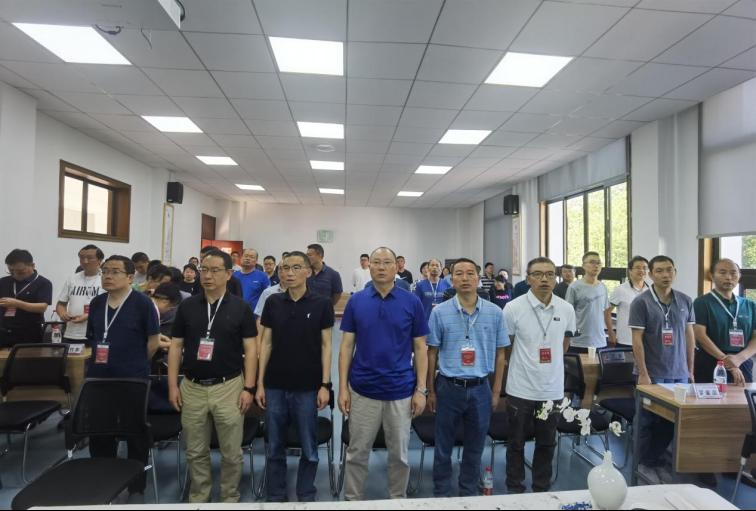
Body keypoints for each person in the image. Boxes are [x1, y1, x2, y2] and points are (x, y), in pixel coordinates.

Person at [339, 247, 429, 501]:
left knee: (399, 455)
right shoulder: (356, 301)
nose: (381, 267)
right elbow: (346, 347)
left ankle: (397, 499)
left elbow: (420, 348)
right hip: (362, 389)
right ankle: (352, 500)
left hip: (400, 391)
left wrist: (421, 389)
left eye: (386, 262)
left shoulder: (411, 301)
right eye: (376, 262)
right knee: (357, 453)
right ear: (369, 266)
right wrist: (343, 388)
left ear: (396, 267)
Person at [168, 249, 258, 503]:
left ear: (228, 274)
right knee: (195, 450)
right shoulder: (187, 306)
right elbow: (176, 346)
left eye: (215, 270)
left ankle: (229, 497)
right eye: (204, 270)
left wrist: (249, 388)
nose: (207, 276)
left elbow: (251, 350)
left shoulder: (241, 308)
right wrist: (173, 385)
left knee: (231, 452)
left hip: (228, 386)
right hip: (192, 386)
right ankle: (199, 496)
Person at [256, 251, 335, 502]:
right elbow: (266, 343)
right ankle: (276, 494)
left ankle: (306, 493)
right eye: (284, 268)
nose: (288, 273)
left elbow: (326, 346)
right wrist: (259, 383)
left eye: (295, 268)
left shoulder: (321, 303)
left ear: (308, 272)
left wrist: (325, 384)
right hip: (275, 384)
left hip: (307, 386)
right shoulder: (273, 302)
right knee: (274, 445)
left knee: (309, 447)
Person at [426, 258, 509, 497]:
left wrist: (496, 391)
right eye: (459, 273)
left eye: (470, 273)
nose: (464, 278)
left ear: (478, 279)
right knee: (443, 446)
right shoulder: (439, 312)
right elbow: (431, 354)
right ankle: (442, 492)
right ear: (451, 279)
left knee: (475, 445)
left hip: (481, 388)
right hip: (448, 386)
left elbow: (501, 354)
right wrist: (430, 390)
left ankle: (468, 491)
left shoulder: (494, 312)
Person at [86, 255, 161, 495]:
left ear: (130, 277)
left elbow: (153, 341)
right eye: (105, 271)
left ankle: (136, 485)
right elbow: (93, 338)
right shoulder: (97, 303)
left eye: (115, 271)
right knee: (100, 433)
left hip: (132, 379)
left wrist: (135, 363)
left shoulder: (143, 303)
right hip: (99, 379)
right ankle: (104, 481)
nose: (108, 276)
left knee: (135, 433)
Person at [504, 257, 576, 493]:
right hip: (520, 388)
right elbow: (507, 346)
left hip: (551, 389)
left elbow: (564, 343)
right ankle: (515, 487)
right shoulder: (513, 308)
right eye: (537, 274)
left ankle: (541, 488)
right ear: (528, 279)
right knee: (516, 443)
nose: (544, 279)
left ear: (555, 278)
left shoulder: (566, 309)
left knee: (547, 443)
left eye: (549, 274)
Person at [629, 255, 695, 484]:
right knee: (646, 423)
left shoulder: (685, 300)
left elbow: (689, 336)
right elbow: (637, 341)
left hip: (679, 374)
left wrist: (690, 370)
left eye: (669, 270)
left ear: (675, 272)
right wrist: (643, 373)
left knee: (670, 424)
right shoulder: (641, 303)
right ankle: (640, 465)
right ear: (651, 274)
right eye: (659, 271)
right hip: (652, 374)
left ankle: (653, 461)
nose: (665, 275)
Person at [694, 258, 756, 385]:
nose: (728, 277)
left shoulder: (750, 305)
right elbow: (700, 335)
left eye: (733, 273)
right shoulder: (702, 303)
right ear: (712, 276)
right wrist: (726, 361)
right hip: (710, 361)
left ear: (739, 276)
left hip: (742, 362)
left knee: (743, 397)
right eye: (722, 272)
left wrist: (739, 359)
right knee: (711, 397)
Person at [0, 249, 53, 346]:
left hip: (30, 333)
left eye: (20, 272)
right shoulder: (3, 282)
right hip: (4, 331)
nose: (15, 274)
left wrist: (16, 303)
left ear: (32, 266)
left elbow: (42, 307)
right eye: (11, 271)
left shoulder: (43, 283)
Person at [55, 245, 105, 344]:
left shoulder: (105, 279)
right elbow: (61, 304)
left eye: (89, 258)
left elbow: (108, 306)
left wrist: (88, 316)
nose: (85, 261)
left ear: (100, 260)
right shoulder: (72, 278)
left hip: (95, 332)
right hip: (71, 332)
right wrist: (62, 313)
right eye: (82, 258)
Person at [566, 252, 610, 353]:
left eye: (598, 263)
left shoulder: (603, 287)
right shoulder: (574, 287)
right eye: (592, 262)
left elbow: (605, 312)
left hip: (600, 341)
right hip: (578, 341)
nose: (596, 266)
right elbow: (567, 314)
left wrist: (610, 333)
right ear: (583, 266)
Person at [605, 256, 649, 347]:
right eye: (638, 268)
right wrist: (611, 333)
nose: (642, 270)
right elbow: (607, 312)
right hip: (625, 340)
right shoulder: (620, 289)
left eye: (644, 268)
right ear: (630, 271)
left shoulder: (650, 291)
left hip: (646, 341)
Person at [414, 259, 452, 323]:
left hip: (443, 321)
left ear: (441, 269)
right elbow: (416, 306)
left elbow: (450, 305)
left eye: (437, 265)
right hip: (425, 321)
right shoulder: (420, 285)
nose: (434, 267)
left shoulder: (446, 284)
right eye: (432, 265)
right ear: (428, 268)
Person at [233, 248, 270, 314]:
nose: (248, 258)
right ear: (241, 258)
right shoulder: (234, 275)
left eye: (251, 257)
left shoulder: (263, 276)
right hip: (236, 313)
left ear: (256, 261)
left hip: (254, 315)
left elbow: (268, 296)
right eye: (246, 256)